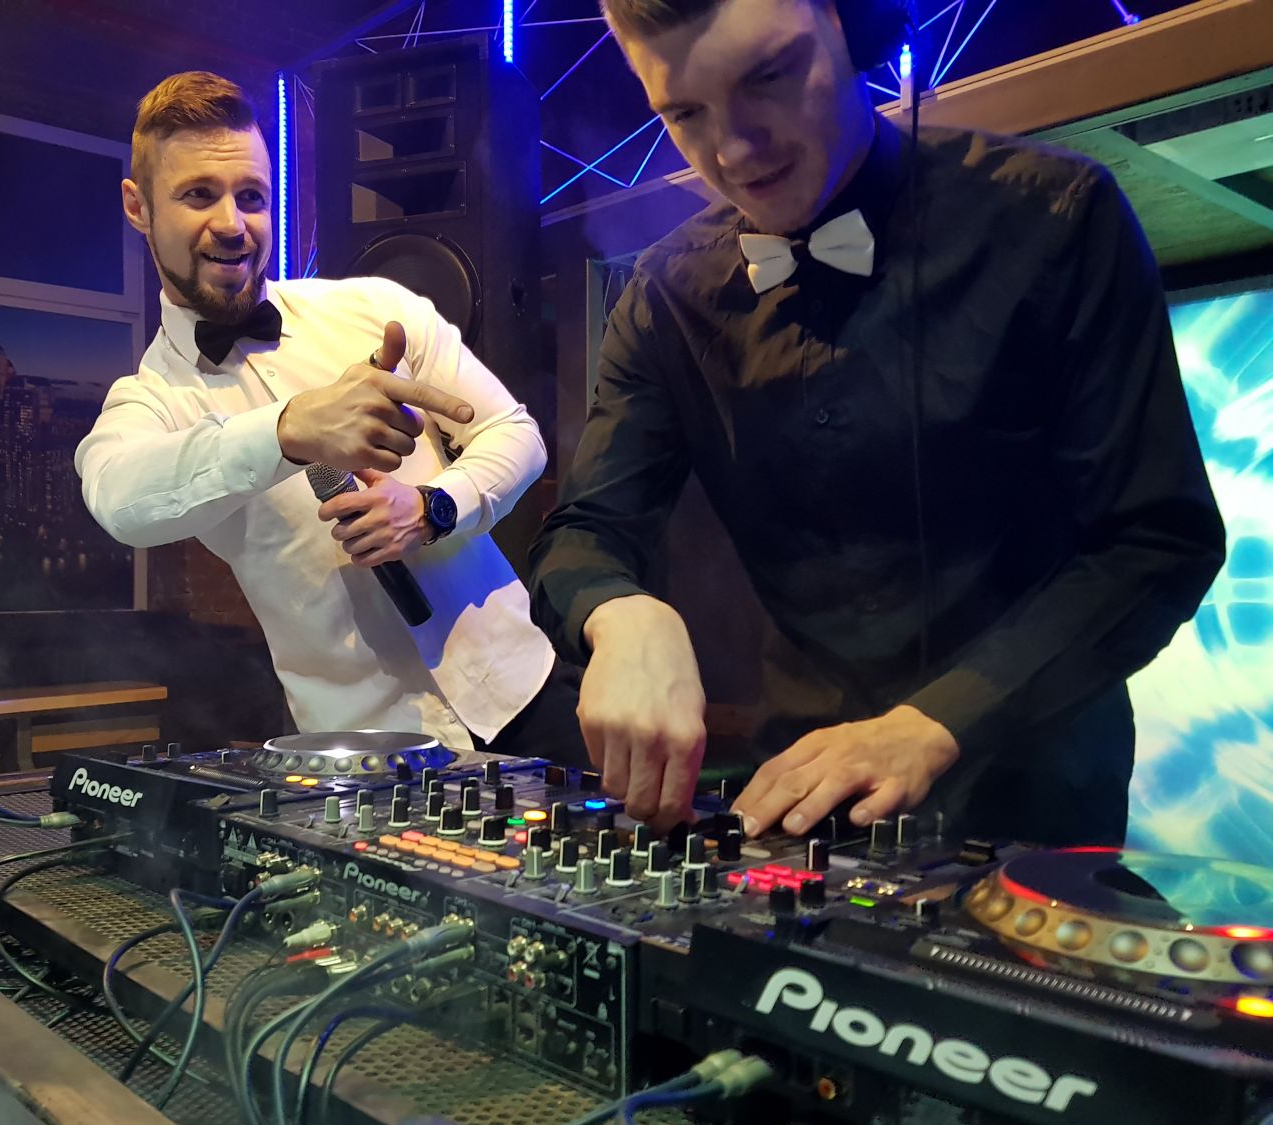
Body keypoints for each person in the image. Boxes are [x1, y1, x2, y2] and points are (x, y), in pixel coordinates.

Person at [528, 0, 1224, 845]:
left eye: (768, 76)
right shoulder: (667, 294)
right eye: (684, 113)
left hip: (1037, 810)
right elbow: (585, 529)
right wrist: (622, 614)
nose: (733, 150)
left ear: (857, 24)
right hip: (797, 804)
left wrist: (934, 722)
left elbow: (1155, 541)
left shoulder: (1058, 217)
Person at [77, 71, 586, 764]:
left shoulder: (375, 308)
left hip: (527, 690)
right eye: (198, 195)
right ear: (138, 207)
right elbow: (120, 499)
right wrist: (288, 431)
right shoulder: (152, 397)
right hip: (366, 754)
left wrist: (434, 506)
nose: (231, 224)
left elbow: (516, 434)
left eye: (251, 196)